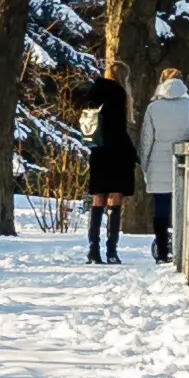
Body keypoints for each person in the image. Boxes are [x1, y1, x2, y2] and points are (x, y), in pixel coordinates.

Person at [136, 64, 189, 265]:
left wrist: (145, 165)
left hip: (159, 163)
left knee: (161, 210)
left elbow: (146, 139)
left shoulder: (153, 108)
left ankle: (163, 251)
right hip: (185, 164)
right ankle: (184, 248)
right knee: (184, 207)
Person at [78, 70, 139, 265]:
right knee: (115, 199)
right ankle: (111, 250)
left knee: (98, 199)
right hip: (117, 152)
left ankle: (93, 249)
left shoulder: (94, 93)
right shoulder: (119, 93)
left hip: (99, 152)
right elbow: (119, 128)